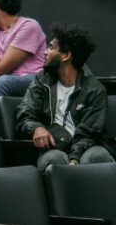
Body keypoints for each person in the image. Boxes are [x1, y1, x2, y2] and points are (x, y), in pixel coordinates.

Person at [15, 24, 114, 173]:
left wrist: (74, 159)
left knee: (97, 156)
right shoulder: (42, 81)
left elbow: (89, 133)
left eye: (51, 47)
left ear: (66, 55)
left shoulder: (95, 89)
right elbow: (25, 114)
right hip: (54, 147)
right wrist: (37, 127)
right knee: (54, 159)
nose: (45, 52)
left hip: (87, 146)